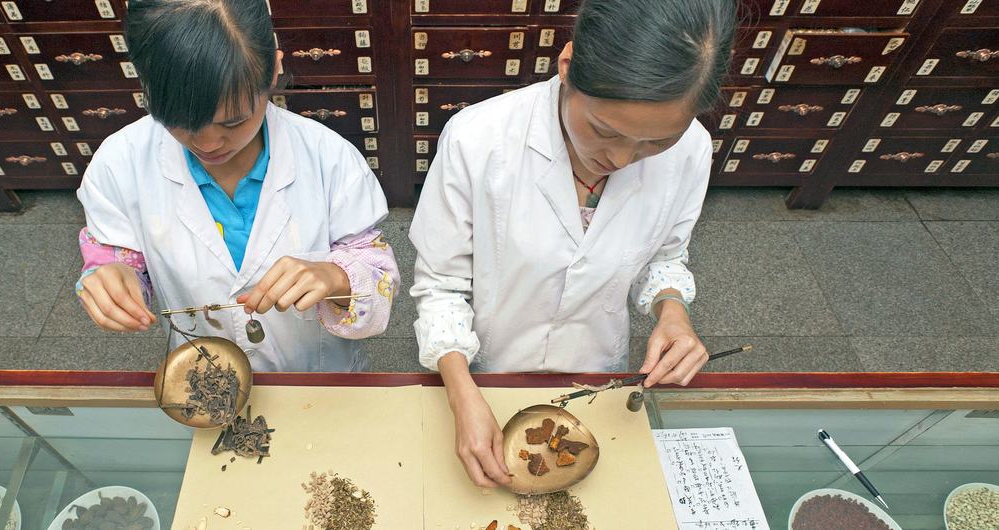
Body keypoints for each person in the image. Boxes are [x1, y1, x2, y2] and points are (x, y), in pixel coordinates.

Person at [409, 0, 736, 487]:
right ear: (567, 66)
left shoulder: (689, 151)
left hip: (598, 367)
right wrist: (462, 393)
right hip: (488, 364)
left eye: (655, 143)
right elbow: (440, 284)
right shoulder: (478, 140)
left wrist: (672, 310)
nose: (623, 158)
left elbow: (665, 255)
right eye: (605, 130)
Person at [74, 0, 398, 371]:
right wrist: (113, 277)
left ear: (274, 69)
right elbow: (119, 257)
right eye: (181, 122)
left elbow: (379, 280)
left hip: (318, 374)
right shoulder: (118, 164)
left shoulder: (331, 160)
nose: (208, 144)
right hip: (206, 373)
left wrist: (337, 277)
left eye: (233, 122)